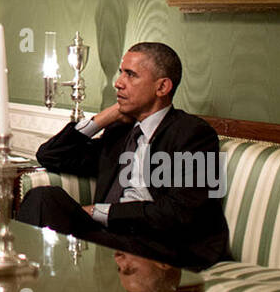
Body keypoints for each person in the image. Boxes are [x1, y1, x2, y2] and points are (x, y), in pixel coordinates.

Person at [17, 42, 231, 272]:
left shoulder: (193, 134)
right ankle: (26, 279)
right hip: (111, 235)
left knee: (63, 248)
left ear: (162, 87)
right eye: (121, 73)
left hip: (158, 244)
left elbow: (179, 213)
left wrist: (98, 212)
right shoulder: (121, 132)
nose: (118, 83)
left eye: (131, 75)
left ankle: (38, 286)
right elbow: (50, 155)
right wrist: (106, 116)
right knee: (43, 197)